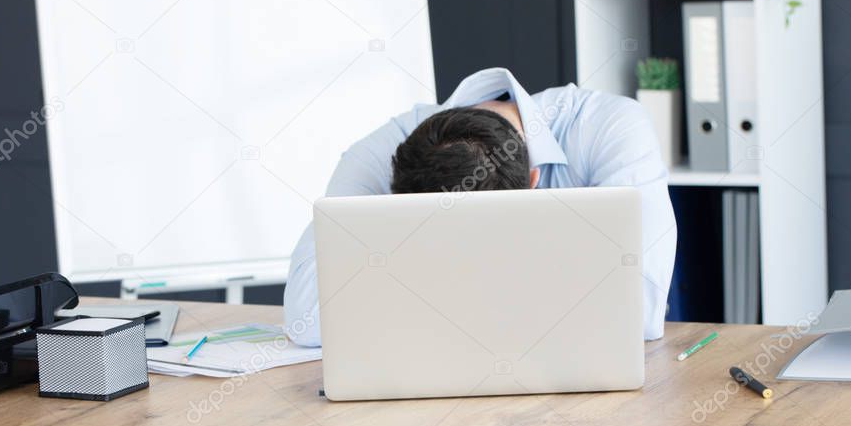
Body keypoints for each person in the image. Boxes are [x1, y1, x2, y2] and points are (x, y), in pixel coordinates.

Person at [284, 67, 676, 346]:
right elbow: (308, 319)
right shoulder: (383, 152)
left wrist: (418, 278)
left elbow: (637, 311)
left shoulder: (608, 127)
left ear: (533, 182)